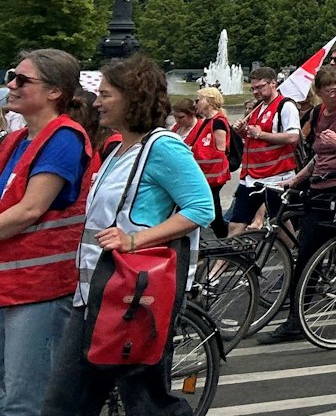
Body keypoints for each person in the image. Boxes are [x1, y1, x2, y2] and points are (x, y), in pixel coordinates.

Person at [41, 55, 213, 415]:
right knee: (86, 401)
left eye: (105, 94)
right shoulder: (121, 147)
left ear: (133, 98)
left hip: (132, 297)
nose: (97, 102)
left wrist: (133, 240)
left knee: (140, 402)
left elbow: (201, 208)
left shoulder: (162, 147)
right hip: (102, 294)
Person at [0, 49, 93, 416]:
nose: (12, 84)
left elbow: (30, 210)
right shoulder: (16, 141)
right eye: (12, 75)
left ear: (55, 91)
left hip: (39, 290)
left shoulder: (64, 139)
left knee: (23, 402)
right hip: (12, 285)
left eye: (23, 80)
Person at [261, 64, 336, 343]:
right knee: (309, 252)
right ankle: (296, 321)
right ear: (319, 92)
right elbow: (316, 158)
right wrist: (295, 180)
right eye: (330, 90)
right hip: (319, 190)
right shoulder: (317, 114)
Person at [228, 65, 298, 235]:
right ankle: (223, 260)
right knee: (237, 222)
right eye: (253, 88)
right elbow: (254, 139)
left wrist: (260, 134)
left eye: (260, 87)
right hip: (253, 175)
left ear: (273, 83)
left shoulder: (286, 106)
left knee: (279, 222)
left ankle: (295, 256)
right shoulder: (259, 108)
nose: (255, 92)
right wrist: (242, 132)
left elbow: (293, 136)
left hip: (276, 175)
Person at [183, 87, 233, 236]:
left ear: (208, 101)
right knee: (213, 208)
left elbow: (220, 150)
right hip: (207, 174)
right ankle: (221, 237)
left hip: (213, 175)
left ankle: (223, 239)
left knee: (214, 209)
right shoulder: (208, 121)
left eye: (198, 100)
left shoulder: (217, 122)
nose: (195, 104)